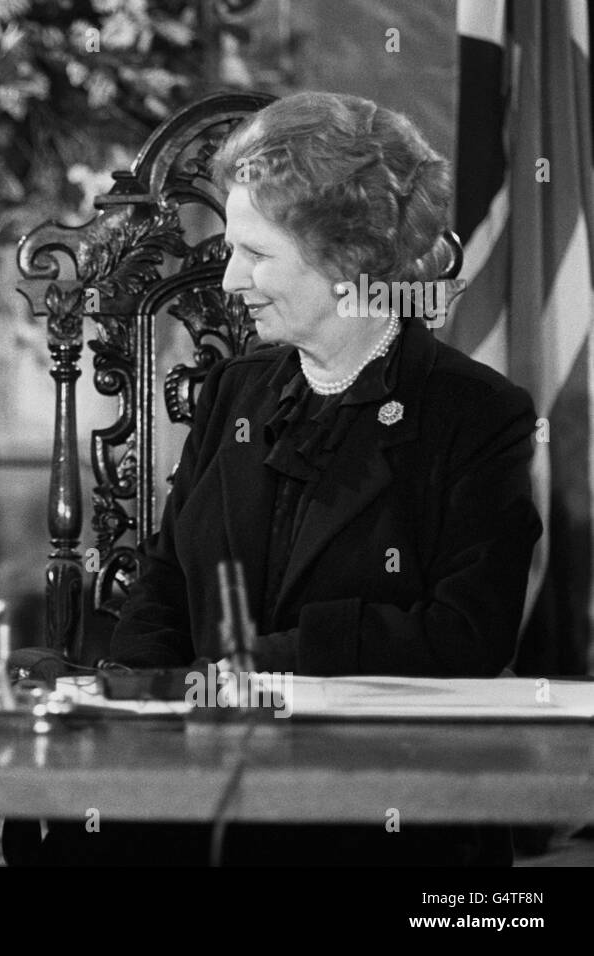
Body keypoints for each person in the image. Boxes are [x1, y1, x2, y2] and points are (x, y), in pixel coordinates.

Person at [48, 91, 542, 866]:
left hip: (380, 809)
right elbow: (167, 585)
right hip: (203, 790)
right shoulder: (237, 390)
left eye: (256, 253)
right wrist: (137, 707)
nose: (231, 278)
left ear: (347, 260)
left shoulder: (477, 416)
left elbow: (464, 637)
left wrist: (263, 666)